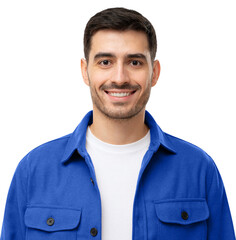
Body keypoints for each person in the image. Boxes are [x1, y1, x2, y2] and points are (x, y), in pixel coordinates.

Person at [1, 7, 235, 240]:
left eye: (134, 62)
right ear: (85, 71)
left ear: (154, 73)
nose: (120, 78)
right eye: (105, 62)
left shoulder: (199, 169)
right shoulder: (33, 170)